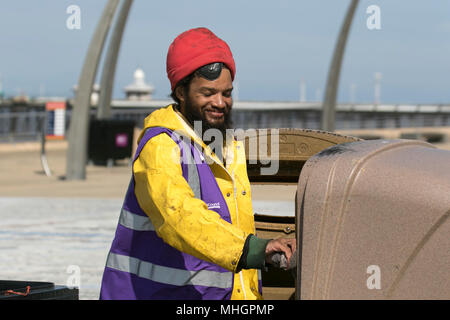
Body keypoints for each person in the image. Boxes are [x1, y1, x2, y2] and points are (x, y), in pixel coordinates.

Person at [99, 27, 295, 300]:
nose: (220, 102)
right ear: (180, 92)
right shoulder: (160, 146)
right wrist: (253, 250)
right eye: (208, 93)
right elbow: (178, 215)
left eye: (227, 93)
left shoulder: (227, 147)